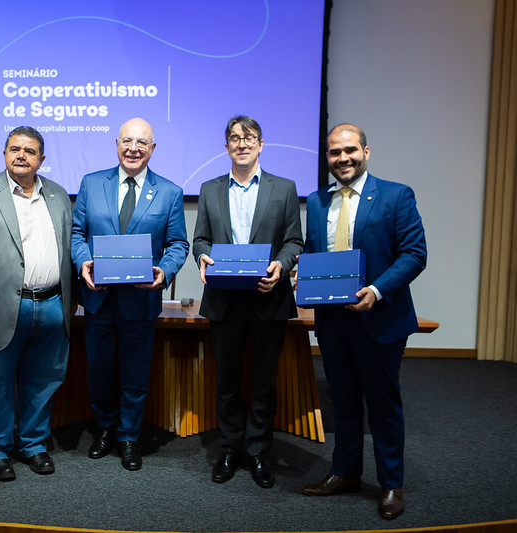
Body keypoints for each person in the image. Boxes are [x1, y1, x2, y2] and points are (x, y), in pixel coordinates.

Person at [299, 123, 427, 520]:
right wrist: (299, 274)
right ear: (328, 158)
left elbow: (414, 254)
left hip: (381, 319)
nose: (343, 158)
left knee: (383, 405)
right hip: (334, 322)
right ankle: (345, 473)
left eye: (350, 150)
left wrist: (376, 290)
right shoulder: (318, 201)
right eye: (335, 152)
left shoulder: (395, 195)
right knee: (344, 402)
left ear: (366, 152)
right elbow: (313, 251)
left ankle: (391, 483)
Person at [0, 126, 75, 481]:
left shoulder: (58, 194)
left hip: (52, 304)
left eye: (30, 151)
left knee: (44, 379)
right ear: (4, 153)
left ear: (42, 159)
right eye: (15, 149)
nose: (21, 155)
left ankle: (33, 444)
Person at [71, 117, 189, 471]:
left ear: (153, 148)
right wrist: (84, 262)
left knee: (136, 373)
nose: (133, 148)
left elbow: (178, 244)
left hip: (140, 300)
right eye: (127, 141)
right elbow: (77, 233)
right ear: (117, 144)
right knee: (99, 369)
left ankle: (128, 436)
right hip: (99, 299)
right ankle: (104, 428)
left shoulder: (169, 192)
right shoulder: (92, 184)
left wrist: (164, 271)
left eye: (141, 142)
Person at [191, 116, 303, 488]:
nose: (242, 143)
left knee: (263, 382)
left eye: (249, 137)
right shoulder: (209, 189)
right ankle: (228, 448)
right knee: (226, 380)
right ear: (226, 147)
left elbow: (294, 242)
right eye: (234, 138)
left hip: (266, 296)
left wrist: (281, 266)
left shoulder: (284, 188)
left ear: (260, 143)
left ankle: (257, 451)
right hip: (224, 299)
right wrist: (203, 256)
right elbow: (201, 240)